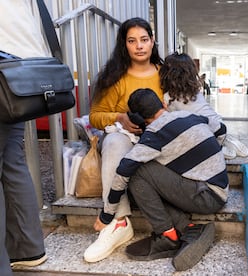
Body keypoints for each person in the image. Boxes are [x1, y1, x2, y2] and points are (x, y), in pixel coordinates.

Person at [94, 88, 228, 271]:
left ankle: (168, 236)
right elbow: (221, 128)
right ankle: (187, 227)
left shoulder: (154, 136)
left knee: (138, 173)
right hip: (218, 189)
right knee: (147, 184)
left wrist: (106, 215)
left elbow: (123, 171)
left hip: (205, 196)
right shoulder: (189, 116)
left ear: (138, 119)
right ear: (163, 104)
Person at [85, 17, 164, 263]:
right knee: (114, 142)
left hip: (161, 139)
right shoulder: (114, 76)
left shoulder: (167, 74)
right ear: (124, 45)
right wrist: (119, 117)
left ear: (153, 42)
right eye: (132, 41)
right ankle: (118, 222)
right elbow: (95, 116)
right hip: (126, 138)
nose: (139, 46)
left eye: (144, 39)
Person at [0, 0, 49, 274]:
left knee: (11, 160)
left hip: (3, 68)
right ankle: (28, 249)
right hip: (20, 74)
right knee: (11, 160)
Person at [160, 52, 248, 160]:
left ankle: (217, 148)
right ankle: (224, 140)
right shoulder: (194, 91)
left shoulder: (168, 98)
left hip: (205, 134)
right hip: (219, 125)